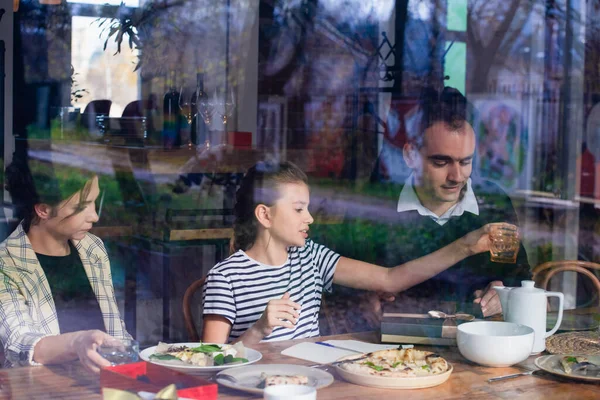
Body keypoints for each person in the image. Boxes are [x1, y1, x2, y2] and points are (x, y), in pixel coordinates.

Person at [201, 161, 514, 345]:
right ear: (265, 216)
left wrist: (467, 246)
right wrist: (259, 329)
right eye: (298, 209)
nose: (309, 218)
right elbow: (208, 366)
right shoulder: (226, 277)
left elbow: (391, 279)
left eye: (308, 208)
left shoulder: (310, 257)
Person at [0, 159, 131, 371]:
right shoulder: (6, 264)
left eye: (94, 202)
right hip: (41, 389)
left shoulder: (92, 248)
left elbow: (116, 328)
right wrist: (78, 342)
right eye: (82, 207)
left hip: (105, 382)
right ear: (43, 210)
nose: (95, 216)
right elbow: (20, 343)